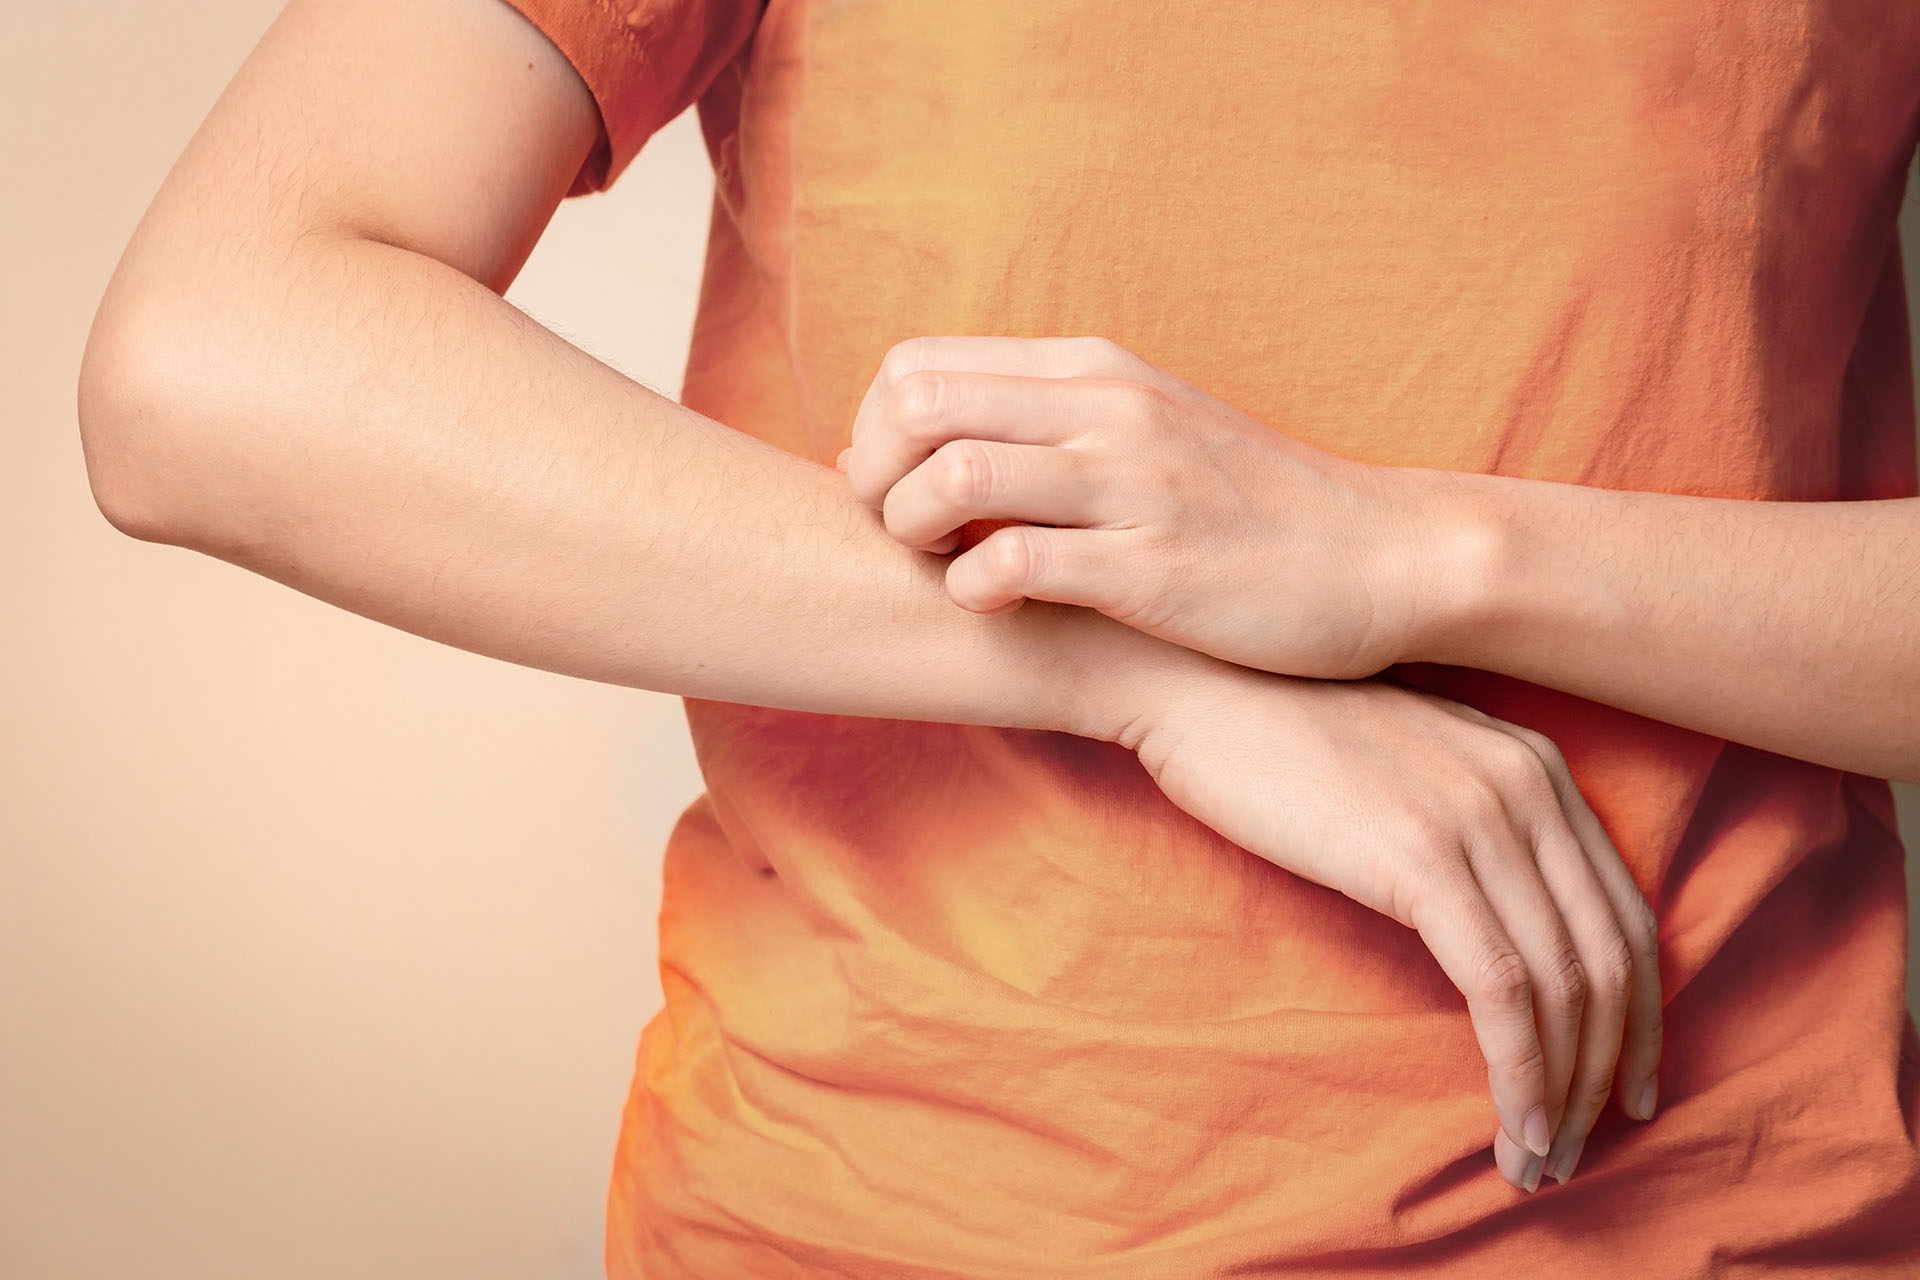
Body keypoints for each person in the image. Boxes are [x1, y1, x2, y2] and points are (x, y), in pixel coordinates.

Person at [75, 0, 1920, 1273]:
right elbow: (215, 355)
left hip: (1708, 1214)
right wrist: (1127, 672)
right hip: (872, 1218)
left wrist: (1419, 558)